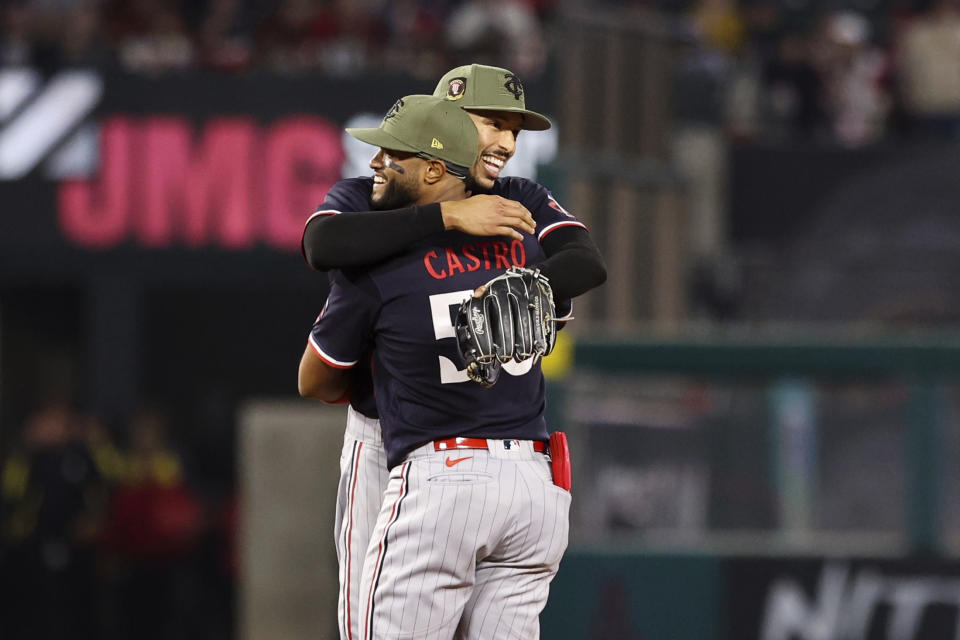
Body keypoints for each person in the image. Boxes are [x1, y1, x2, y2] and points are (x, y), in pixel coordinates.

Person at [300, 63, 606, 640]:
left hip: (444, 460)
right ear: (447, 126)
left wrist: (534, 286)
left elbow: (587, 262)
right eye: (493, 123)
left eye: (515, 130)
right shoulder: (380, 190)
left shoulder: (518, 199)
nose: (507, 144)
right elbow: (322, 242)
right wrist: (445, 214)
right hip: (391, 438)